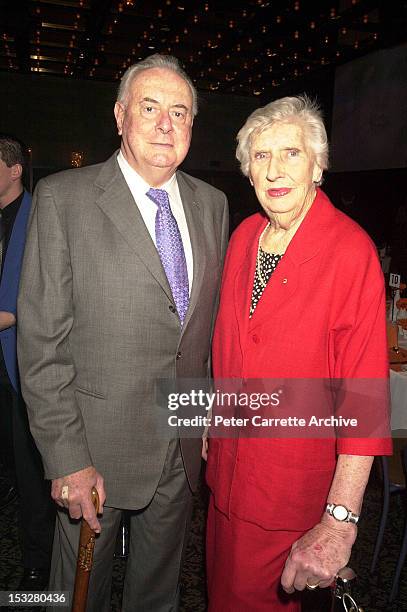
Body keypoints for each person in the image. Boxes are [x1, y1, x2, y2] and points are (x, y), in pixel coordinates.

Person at [17, 54, 228, 610]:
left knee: (157, 596)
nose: (165, 123)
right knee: (79, 592)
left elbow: (200, 334)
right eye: (150, 107)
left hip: (180, 448)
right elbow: (40, 345)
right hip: (94, 451)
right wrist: (66, 458)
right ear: (119, 116)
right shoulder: (65, 200)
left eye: (179, 113)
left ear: (191, 128)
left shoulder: (214, 205)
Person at [205, 96, 391, 610]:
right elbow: (228, 351)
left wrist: (338, 523)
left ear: (318, 165)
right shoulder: (244, 237)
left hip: (290, 500)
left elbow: (364, 403)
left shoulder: (349, 252)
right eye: (260, 157)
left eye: (290, 153)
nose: (275, 170)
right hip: (226, 481)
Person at [0, 134, 55, 589]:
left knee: (33, 471)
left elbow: (42, 297)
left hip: (25, 362)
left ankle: (38, 561)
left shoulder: (41, 213)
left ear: (14, 169)